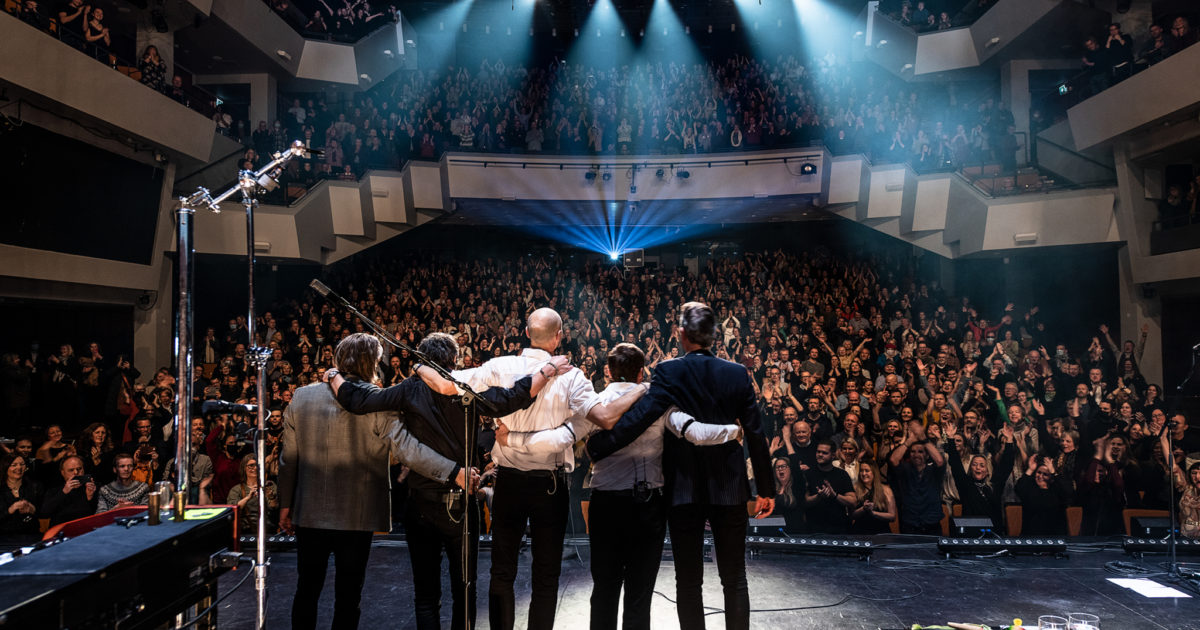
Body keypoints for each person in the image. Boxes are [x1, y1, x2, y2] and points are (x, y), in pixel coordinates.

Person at [494, 342, 741, 630]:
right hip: (648, 506)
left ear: (608, 372)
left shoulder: (596, 404)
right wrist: (734, 431)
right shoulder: (658, 402)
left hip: (606, 506)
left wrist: (511, 439)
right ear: (642, 372)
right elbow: (695, 433)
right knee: (639, 595)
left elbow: (559, 439)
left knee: (604, 592)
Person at [331, 332, 564, 630]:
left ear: (423, 358)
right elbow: (510, 400)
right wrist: (546, 371)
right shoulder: (465, 388)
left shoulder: (409, 388)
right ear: (454, 360)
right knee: (464, 591)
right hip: (461, 506)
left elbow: (358, 400)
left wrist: (334, 375)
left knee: (426, 595)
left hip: (421, 503)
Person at [279, 332, 490, 630]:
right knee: (348, 596)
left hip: (309, 512)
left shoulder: (301, 397)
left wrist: (285, 505)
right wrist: (453, 471)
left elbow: (288, 460)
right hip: (358, 515)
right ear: (373, 363)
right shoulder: (378, 401)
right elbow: (408, 450)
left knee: (306, 591)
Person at [450, 308, 644, 630]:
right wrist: (641, 388)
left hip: (507, 482)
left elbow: (452, 383)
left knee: (501, 571)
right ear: (559, 337)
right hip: (549, 487)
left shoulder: (500, 366)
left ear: (527, 333)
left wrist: (420, 368)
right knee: (546, 574)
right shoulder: (573, 377)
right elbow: (605, 417)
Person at [586, 302, 775, 630]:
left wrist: (601, 445)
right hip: (730, 486)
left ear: (681, 333)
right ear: (714, 335)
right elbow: (756, 434)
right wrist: (766, 489)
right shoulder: (737, 373)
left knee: (688, 581)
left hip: (683, 489)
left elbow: (642, 417)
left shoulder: (669, 370)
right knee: (735, 578)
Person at [887, 421, 946, 534]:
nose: (916, 455)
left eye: (920, 452)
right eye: (913, 452)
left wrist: (923, 439)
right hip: (910, 522)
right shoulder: (905, 469)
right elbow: (893, 460)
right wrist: (909, 441)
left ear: (927, 455)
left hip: (931, 522)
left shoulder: (933, 470)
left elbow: (939, 461)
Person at [803, 440, 856, 534]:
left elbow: (853, 501)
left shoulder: (842, 475)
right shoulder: (808, 474)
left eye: (824, 453)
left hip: (838, 528)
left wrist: (835, 495)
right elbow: (804, 502)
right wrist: (818, 496)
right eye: (818, 452)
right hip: (814, 528)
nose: (820, 455)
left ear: (833, 455)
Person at [226, 456, 278, 536]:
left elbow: (275, 508)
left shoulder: (270, 485)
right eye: (251, 465)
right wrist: (248, 497)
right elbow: (233, 510)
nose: (255, 468)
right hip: (246, 531)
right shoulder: (237, 489)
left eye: (258, 465)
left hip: (269, 530)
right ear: (244, 468)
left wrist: (271, 497)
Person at [41, 455, 97, 526]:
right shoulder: (54, 490)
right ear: (63, 473)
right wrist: (63, 492)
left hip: (86, 527)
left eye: (79, 469)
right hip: (62, 529)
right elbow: (44, 514)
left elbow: (97, 514)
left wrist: (90, 498)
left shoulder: (91, 487)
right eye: (71, 470)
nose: (76, 472)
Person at [0, 452, 42, 543]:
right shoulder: (1, 489)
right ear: (6, 467)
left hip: (32, 535)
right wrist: (10, 509)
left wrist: (33, 509)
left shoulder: (35, 486)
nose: (19, 467)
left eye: (22, 464)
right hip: (4, 537)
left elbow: (45, 512)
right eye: (14, 465)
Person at [850, 462, 895, 534]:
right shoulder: (855, 489)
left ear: (874, 472)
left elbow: (892, 516)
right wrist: (863, 509)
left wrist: (873, 513)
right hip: (860, 532)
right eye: (861, 471)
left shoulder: (886, 490)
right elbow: (852, 515)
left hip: (881, 532)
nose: (863, 474)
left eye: (867, 470)